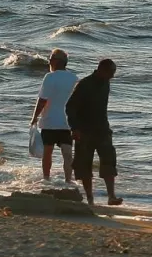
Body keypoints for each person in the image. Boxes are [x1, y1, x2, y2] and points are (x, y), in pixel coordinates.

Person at [66, 58, 123, 206]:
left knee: (109, 161)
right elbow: (70, 107)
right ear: (101, 69)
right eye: (111, 72)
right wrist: (74, 128)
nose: (112, 76)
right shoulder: (84, 84)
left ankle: (111, 196)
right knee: (84, 165)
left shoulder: (106, 83)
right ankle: (90, 198)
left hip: (103, 129)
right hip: (84, 131)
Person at [30, 48, 77, 182]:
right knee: (67, 154)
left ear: (56, 61)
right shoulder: (74, 78)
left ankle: (46, 179)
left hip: (49, 122)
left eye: (50, 59)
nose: (49, 62)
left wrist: (34, 118)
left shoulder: (50, 77)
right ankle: (68, 181)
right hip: (67, 123)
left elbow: (42, 100)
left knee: (47, 153)